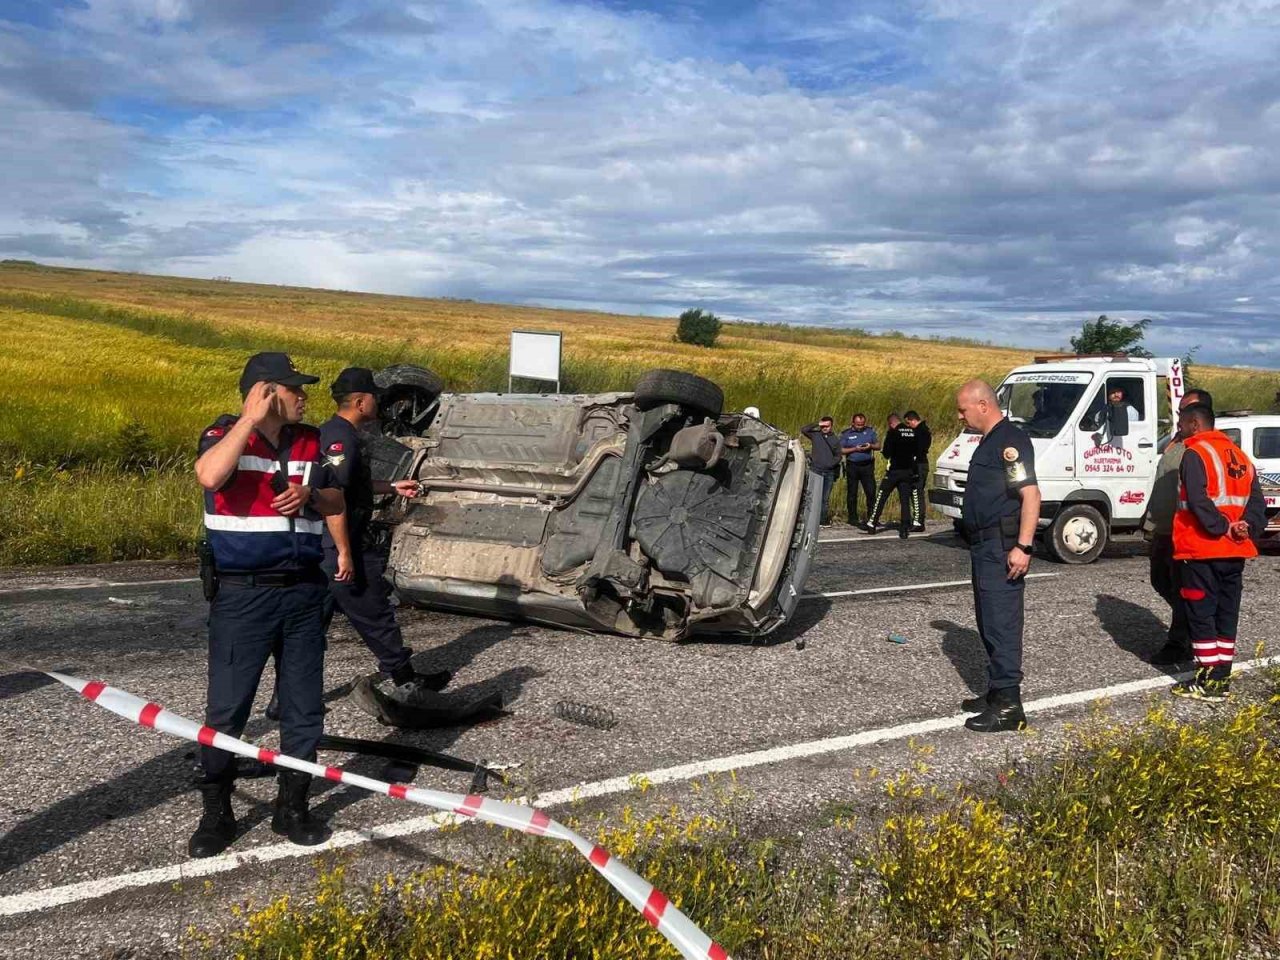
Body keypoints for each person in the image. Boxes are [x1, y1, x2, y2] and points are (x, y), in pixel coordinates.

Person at [190, 352, 346, 858]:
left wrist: (309, 496)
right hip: (244, 594)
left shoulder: (311, 440)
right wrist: (249, 422)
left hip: (303, 591)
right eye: (295, 388)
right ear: (266, 391)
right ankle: (217, 810)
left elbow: (337, 501)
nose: (305, 396)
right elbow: (210, 478)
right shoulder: (223, 435)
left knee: (303, 708)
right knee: (227, 707)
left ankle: (292, 805)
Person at [266, 368, 451, 718]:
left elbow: (349, 485)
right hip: (341, 544)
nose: (379, 405)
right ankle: (407, 682)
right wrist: (345, 553)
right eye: (375, 399)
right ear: (361, 401)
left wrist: (392, 487)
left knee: (308, 629)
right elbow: (335, 499)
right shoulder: (343, 439)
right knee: (374, 612)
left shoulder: (332, 434)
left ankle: (282, 699)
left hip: (322, 548)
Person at [954, 379, 1040, 733]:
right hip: (984, 546)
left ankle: (1009, 706)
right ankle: (996, 691)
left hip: (1001, 547)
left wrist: (1023, 547)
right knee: (988, 619)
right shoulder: (990, 441)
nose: (960, 416)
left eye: (963, 409)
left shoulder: (1010, 442)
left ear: (983, 405)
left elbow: (1031, 495)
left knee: (1002, 622)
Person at [1169, 402, 1266, 702]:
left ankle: (1207, 679)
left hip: (1201, 549)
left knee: (1201, 614)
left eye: (1182, 424)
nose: (1179, 430)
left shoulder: (1195, 453)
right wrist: (1245, 527)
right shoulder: (1240, 457)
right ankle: (1222, 676)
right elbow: (1256, 504)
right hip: (1235, 550)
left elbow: (1197, 501)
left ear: (1195, 424)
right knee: (1226, 613)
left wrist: (1220, 527)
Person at [1145, 388, 1213, 665]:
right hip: (1162, 526)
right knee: (1160, 580)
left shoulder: (1200, 447)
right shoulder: (1177, 440)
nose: (1179, 414)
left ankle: (1181, 641)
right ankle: (1196, 620)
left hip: (1182, 530)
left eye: (1185, 410)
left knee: (1182, 587)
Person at [865, 414, 920, 539]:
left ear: (891, 423)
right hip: (908, 471)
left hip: (894, 471)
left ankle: (872, 523)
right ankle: (904, 528)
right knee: (905, 501)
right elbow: (917, 451)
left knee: (882, 496)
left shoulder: (893, 433)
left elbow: (886, 453)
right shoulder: (912, 432)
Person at [801, 416, 843, 525]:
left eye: (827, 426)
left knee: (824, 499)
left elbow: (839, 456)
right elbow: (804, 430)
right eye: (823, 426)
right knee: (812, 497)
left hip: (829, 472)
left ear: (831, 426)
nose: (825, 428)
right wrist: (817, 424)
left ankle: (822, 521)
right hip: (815, 470)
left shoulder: (835, 439)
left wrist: (830, 464)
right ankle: (809, 520)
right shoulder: (816, 435)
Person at [839, 413, 878, 528]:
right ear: (853, 423)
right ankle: (853, 518)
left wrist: (870, 446)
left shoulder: (870, 432)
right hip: (853, 466)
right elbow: (840, 450)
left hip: (867, 466)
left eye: (862, 424)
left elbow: (878, 445)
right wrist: (855, 449)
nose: (860, 426)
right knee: (852, 492)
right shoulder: (846, 434)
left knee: (871, 492)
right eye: (858, 424)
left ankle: (872, 517)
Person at [904, 410, 932, 533]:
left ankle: (919, 521)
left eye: (908, 423)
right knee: (915, 493)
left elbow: (918, 450)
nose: (908, 426)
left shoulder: (921, 432)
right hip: (919, 464)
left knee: (916, 492)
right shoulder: (922, 430)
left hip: (918, 465)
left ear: (912, 420)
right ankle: (917, 519)